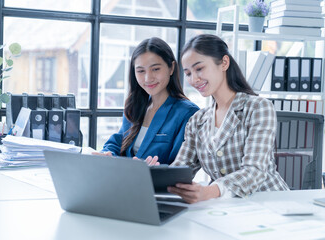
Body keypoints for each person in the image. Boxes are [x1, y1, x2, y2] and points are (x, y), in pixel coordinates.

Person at [147, 34, 289, 203]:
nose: (194, 79)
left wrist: (209, 191)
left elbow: (254, 171)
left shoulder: (258, 108)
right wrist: (157, 175)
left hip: (269, 203)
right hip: (225, 210)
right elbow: (181, 169)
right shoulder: (197, 121)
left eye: (199, 69)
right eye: (188, 73)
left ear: (224, 63)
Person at [100, 37, 199, 165]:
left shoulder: (188, 113)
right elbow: (118, 141)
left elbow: (183, 165)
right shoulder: (134, 106)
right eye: (141, 71)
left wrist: (155, 170)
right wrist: (108, 154)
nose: (148, 78)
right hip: (125, 181)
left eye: (156, 69)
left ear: (171, 68)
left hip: (158, 184)